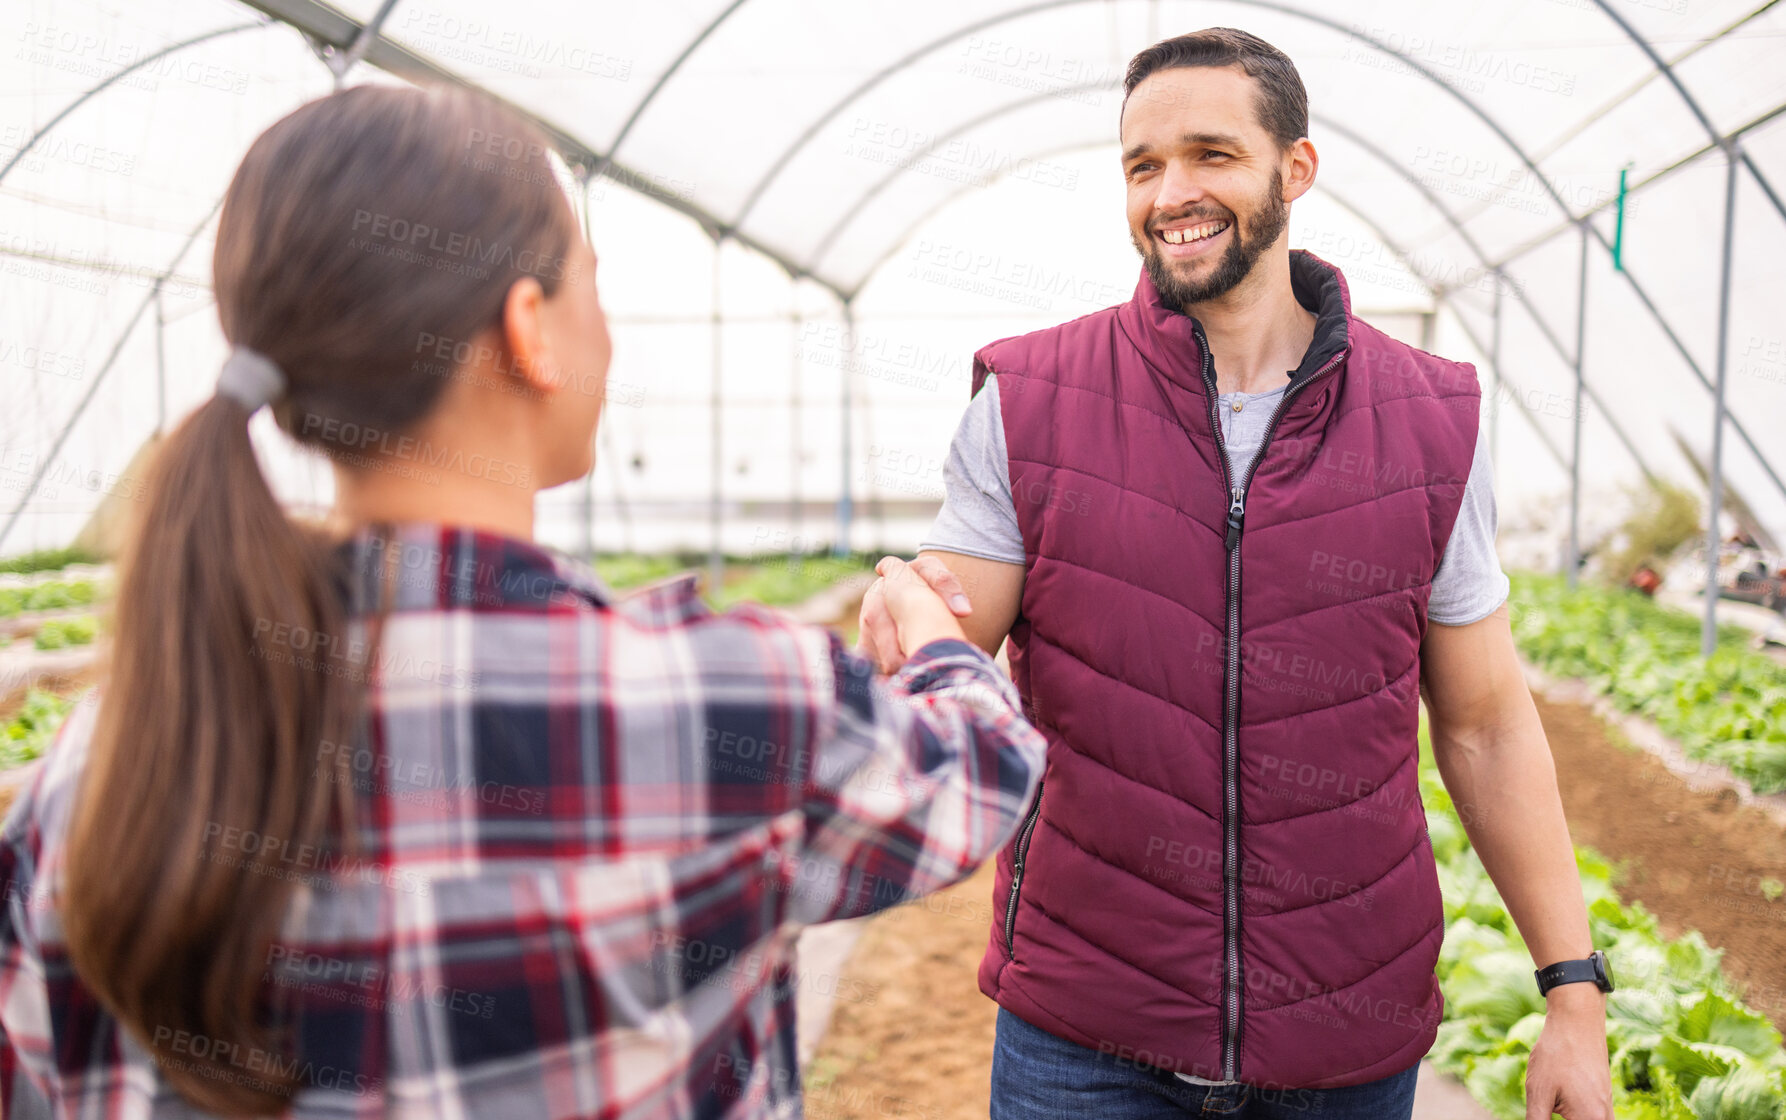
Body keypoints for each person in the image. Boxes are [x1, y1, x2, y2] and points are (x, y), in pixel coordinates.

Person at [0, 84, 1047, 1120]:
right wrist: (932, 635)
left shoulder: (100, 767)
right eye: (588, 283)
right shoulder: (726, 702)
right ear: (529, 329)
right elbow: (985, 772)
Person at [858, 28, 1616, 1120]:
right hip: (1087, 1034)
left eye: (1210, 154)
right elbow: (953, 651)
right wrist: (914, 611)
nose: (1171, 192)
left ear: (1293, 170)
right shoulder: (1029, 400)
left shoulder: (1425, 421)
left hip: (1342, 1038)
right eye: (1142, 165)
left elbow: (1488, 725)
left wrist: (1573, 994)